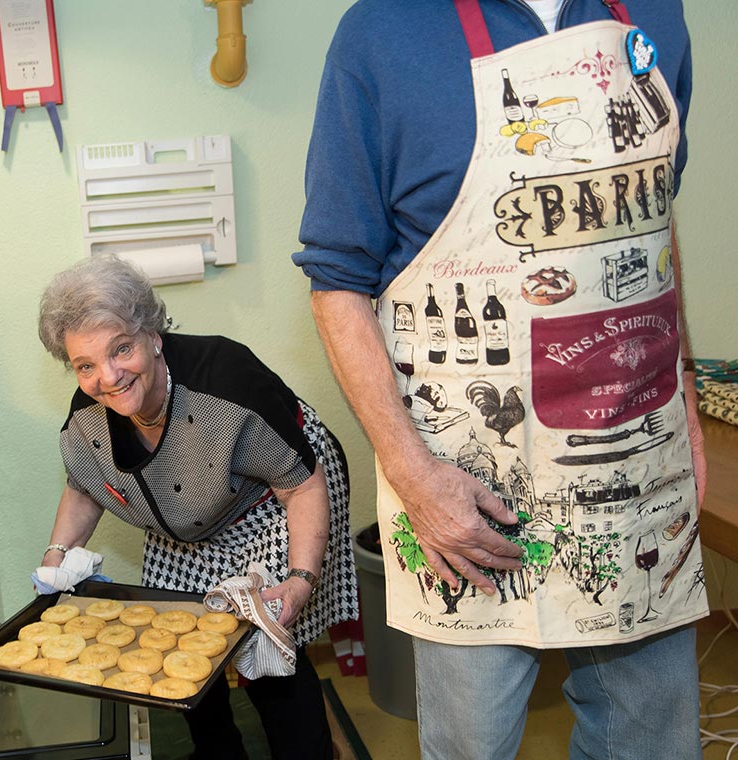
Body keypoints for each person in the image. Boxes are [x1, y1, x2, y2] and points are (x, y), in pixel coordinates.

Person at [294, 0, 709, 757]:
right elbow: (335, 281)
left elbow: (653, 218)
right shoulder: (383, 33)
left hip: (636, 462)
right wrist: (414, 474)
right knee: (471, 743)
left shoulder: (653, 12)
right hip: (466, 493)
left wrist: (684, 398)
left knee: (653, 736)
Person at [37, 255, 356, 760]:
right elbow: (85, 486)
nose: (110, 377)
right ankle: (218, 752)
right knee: (177, 642)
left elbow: (301, 485)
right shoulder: (88, 418)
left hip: (274, 493)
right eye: (86, 365)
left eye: (122, 349)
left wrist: (298, 579)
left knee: (265, 647)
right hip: (187, 515)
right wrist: (55, 558)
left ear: (153, 335)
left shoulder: (226, 387)